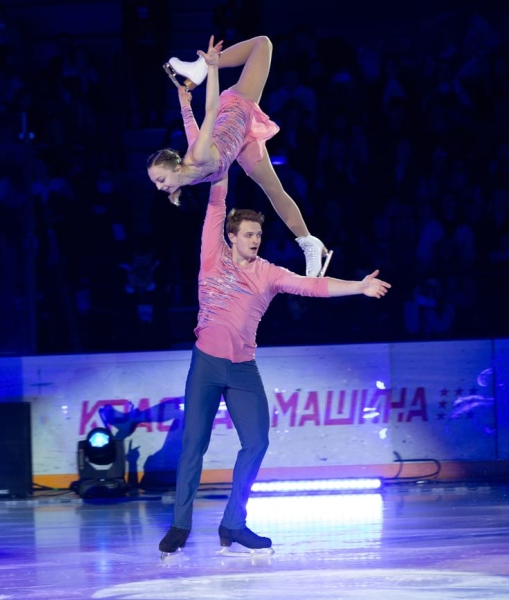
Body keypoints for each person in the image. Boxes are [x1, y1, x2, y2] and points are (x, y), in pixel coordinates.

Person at [158, 173, 390, 557]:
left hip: (243, 369)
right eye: (248, 234)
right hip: (206, 365)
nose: (254, 239)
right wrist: (223, 161)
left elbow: (312, 285)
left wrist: (358, 286)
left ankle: (233, 523)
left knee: (257, 442)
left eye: (258, 235)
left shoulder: (269, 273)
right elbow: (217, 203)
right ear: (231, 236)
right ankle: (180, 526)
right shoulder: (212, 255)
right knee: (192, 447)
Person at [147, 35, 332, 277]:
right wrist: (184, 105)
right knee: (275, 191)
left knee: (263, 44)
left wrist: (213, 68)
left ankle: (202, 66)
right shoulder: (190, 175)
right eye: (156, 183)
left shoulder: (199, 156)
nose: (159, 186)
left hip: (237, 107)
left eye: (160, 179)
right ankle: (310, 243)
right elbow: (191, 130)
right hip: (241, 145)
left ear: (174, 168)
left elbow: (211, 109)